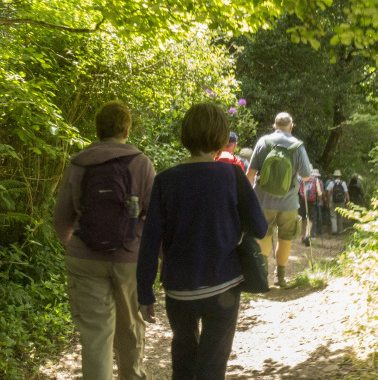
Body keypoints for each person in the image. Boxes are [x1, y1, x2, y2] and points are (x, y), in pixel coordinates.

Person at [136, 103, 267, 380]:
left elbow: (149, 242)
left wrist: (145, 293)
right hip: (224, 287)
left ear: (185, 135)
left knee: (183, 355)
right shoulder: (232, 175)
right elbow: (260, 226)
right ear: (222, 137)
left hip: (179, 290)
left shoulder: (165, 181)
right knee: (212, 365)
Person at [54, 100, 155, 380]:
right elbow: (155, 217)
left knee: (96, 339)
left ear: (97, 130)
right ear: (126, 129)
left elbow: (61, 219)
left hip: (83, 259)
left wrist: (78, 247)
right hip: (128, 258)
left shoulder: (78, 163)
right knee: (131, 329)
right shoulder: (141, 163)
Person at [246, 112, 311, 287]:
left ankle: (262, 277)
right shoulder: (298, 146)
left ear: (274, 126)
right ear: (291, 126)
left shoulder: (263, 142)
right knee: (285, 238)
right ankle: (280, 277)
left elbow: (250, 174)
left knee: (264, 236)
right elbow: (306, 176)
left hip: (263, 201)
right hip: (289, 203)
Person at [298, 168, 324, 243]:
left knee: (303, 219)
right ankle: (307, 235)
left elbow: (298, 190)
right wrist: (319, 199)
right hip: (312, 202)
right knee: (311, 219)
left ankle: (303, 236)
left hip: (303, 200)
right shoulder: (315, 179)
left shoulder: (301, 179)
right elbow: (319, 193)